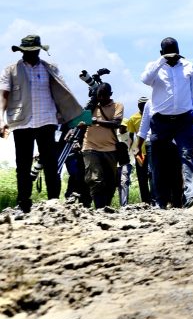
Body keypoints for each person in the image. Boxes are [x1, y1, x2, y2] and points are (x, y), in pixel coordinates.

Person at [0, 35, 83, 213]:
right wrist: (1, 119)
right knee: (23, 165)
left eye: (34, 51)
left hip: (47, 121)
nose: (31, 54)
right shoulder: (11, 70)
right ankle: (24, 203)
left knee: (51, 164)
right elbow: (3, 96)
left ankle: (53, 202)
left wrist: (69, 117)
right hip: (22, 122)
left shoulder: (50, 69)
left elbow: (62, 93)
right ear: (22, 51)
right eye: (27, 52)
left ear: (39, 50)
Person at [139, 37, 193, 208]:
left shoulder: (189, 67)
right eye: (168, 54)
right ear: (161, 54)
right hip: (160, 122)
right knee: (158, 163)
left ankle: (190, 197)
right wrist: (162, 61)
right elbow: (145, 79)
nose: (172, 57)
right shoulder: (154, 67)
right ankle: (160, 201)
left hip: (184, 120)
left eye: (175, 54)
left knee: (187, 156)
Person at [81, 82, 124, 208]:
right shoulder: (92, 106)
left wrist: (96, 121)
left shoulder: (117, 106)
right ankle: (99, 208)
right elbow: (80, 122)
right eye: (99, 95)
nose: (102, 98)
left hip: (110, 148)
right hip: (90, 147)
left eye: (105, 95)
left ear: (110, 95)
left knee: (110, 182)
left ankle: (106, 207)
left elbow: (116, 123)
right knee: (95, 179)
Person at [121, 97, 151, 206]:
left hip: (152, 150)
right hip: (140, 152)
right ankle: (145, 201)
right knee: (142, 176)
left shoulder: (152, 115)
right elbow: (130, 136)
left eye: (145, 104)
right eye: (141, 105)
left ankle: (154, 198)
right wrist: (131, 151)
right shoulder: (133, 118)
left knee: (152, 174)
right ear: (138, 106)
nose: (143, 107)